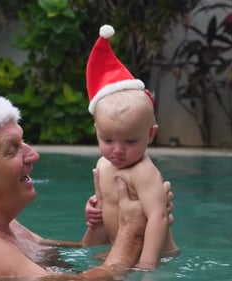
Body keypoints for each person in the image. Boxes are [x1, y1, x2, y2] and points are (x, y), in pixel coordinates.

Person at [0, 92, 175, 280]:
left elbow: (57, 259)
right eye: (12, 149)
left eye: (23, 141)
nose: (33, 155)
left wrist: (106, 220)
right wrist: (131, 232)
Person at [81, 25, 179, 270]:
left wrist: (147, 264)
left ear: (151, 134)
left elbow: (158, 216)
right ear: (97, 131)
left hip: (158, 256)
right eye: (108, 140)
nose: (118, 150)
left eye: (130, 141)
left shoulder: (143, 172)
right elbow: (109, 208)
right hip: (120, 249)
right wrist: (95, 213)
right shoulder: (103, 165)